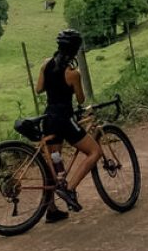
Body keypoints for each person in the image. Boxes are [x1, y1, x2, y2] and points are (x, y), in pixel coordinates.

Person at [35, 29, 101, 217]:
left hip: (48, 118)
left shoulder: (46, 64)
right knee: (95, 151)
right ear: (74, 50)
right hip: (64, 119)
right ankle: (69, 189)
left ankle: (51, 210)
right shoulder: (73, 73)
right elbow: (80, 99)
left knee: (55, 164)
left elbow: (39, 89)